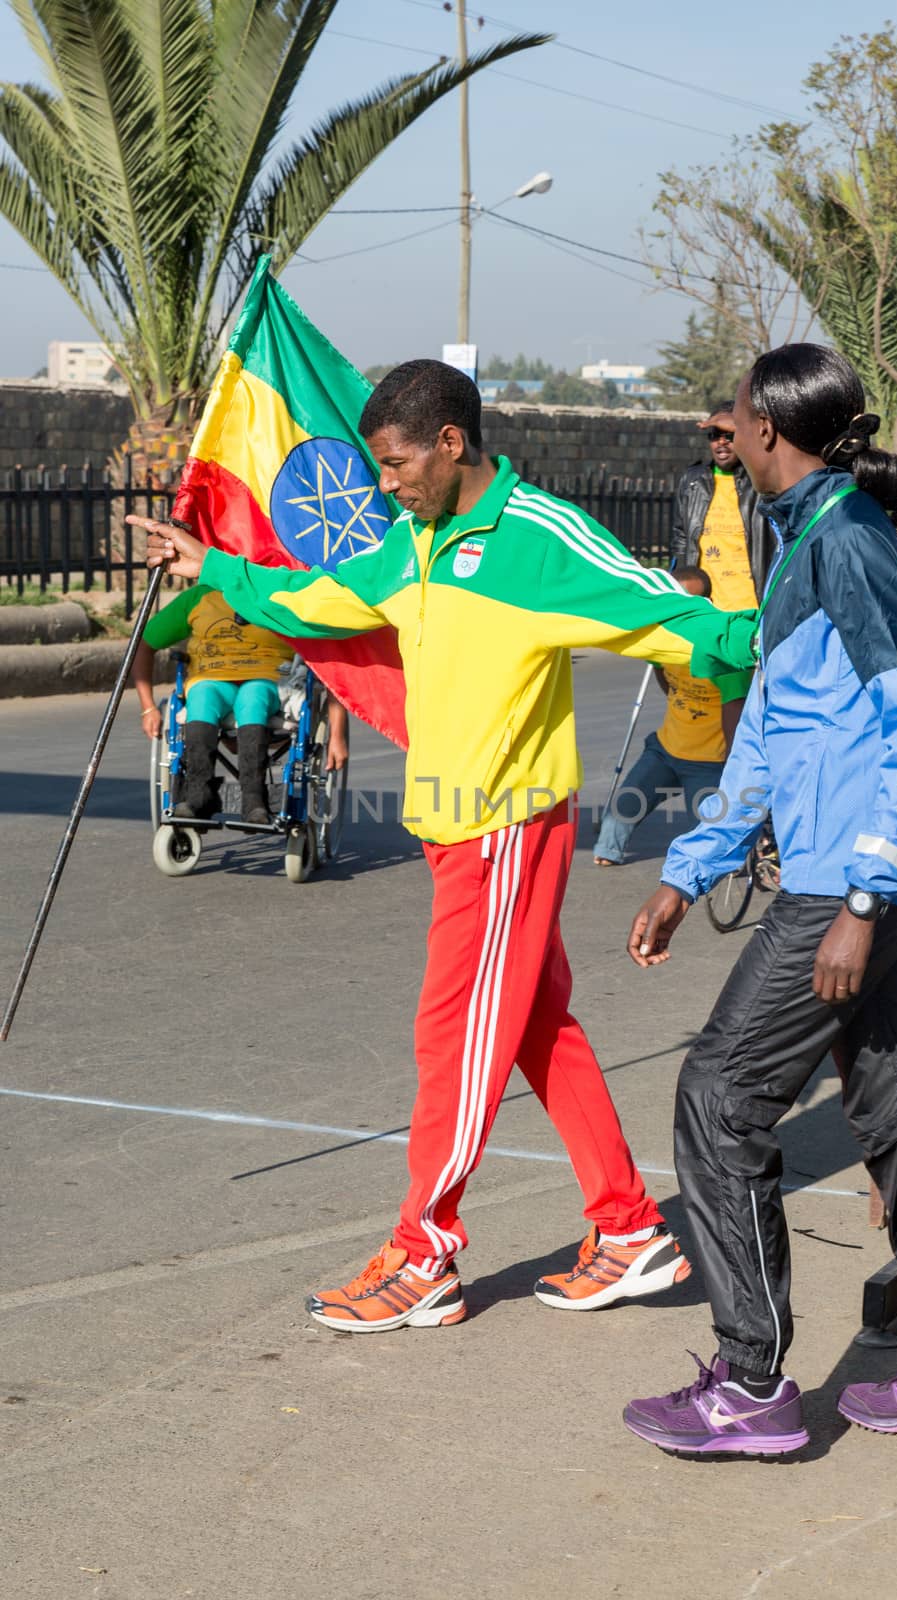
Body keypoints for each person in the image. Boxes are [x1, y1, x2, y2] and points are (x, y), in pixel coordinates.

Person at [131, 359, 757, 1335]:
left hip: (504, 827)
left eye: (394, 465)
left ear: (450, 444)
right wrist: (212, 568)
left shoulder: (536, 538)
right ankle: (628, 1230)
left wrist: (774, 634)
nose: (385, 484)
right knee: (537, 1028)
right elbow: (325, 599)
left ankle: (423, 1252)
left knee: (452, 1034)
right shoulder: (410, 541)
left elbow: (667, 613)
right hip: (450, 829)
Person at [623, 344, 897, 1457]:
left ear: (771, 432)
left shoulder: (845, 544)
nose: (721, 434)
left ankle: (747, 1385)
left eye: (734, 419)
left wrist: (861, 899)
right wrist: (686, 873)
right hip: (864, 882)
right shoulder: (804, 537)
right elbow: (770, 742)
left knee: (719, 1094)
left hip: (851, 888)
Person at [134, 587, 349, 823]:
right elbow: (144, 643)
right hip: (211, 678)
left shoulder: (282, 591)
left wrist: (337, 735)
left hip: (267, 677)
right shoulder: (199, 597)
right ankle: (197, 795)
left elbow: (332, 659)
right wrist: (148, 707)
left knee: (252, 697)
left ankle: (254, 800)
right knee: (202, 697)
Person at [592, 566, 726, 865]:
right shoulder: (664, 637)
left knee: (711, 838)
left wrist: (732, 760)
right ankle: (609, 853)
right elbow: (660, 671)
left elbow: (737, 708)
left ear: (707, 602)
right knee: (619, 814)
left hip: (708, 762)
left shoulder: (721, 648)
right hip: (665, 750)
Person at [671, 401, 776, 748]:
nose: (720, 443)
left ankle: (734, 779)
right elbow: (681, 540)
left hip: (747, 610)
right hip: (707, 610)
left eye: (729, 435)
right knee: (692, 695)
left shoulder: (759, 480)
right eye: (714, 435)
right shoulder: (692, 481)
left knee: (738, 704)